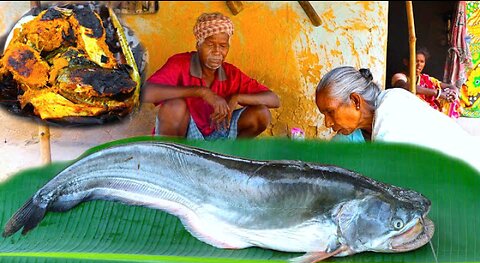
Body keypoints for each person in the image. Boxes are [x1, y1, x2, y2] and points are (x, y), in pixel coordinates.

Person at [315, 66, 480, 173]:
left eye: (330, 112)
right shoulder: (369, 126)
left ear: (356, 101)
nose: (327, 123)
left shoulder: (391, 113)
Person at [142, 12, 280, 140]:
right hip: (186, 137)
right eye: (210, 44)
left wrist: (237, 98)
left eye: (223, 46)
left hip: (219, 132)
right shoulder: (180, 63)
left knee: (261, 113)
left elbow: (274, 100)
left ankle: (227, 158)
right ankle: (170, 161)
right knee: (174, 107)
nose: (217, 51)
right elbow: (146, 93)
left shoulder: (230, 73)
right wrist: (201, 92)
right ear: (198, 45)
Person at [391, 47, 461, 118]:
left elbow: (451, 87)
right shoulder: (400, 76)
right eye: (416, 61)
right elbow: (404, 86)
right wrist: (437, 93)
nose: (419, 65)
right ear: (406, 62)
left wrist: (453, 92)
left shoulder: (426, 79)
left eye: (422, 62)